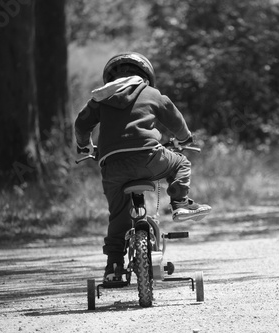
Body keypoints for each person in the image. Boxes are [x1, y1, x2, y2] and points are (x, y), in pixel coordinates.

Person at [74, 52, 212, 282]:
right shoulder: (151, 93)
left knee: (118, 217)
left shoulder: (100, 98)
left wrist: (85, 146)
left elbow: (81, 123)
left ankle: (114, 269)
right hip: (148, 157)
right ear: (146, 75)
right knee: (181, 163)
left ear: (109, 79)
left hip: (112, 164)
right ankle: (179, 204)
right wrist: (184, 138)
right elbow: (174, 118)